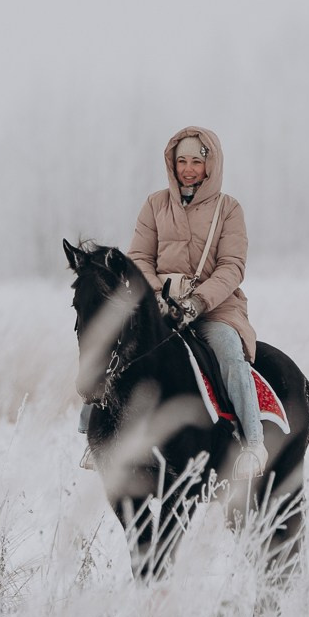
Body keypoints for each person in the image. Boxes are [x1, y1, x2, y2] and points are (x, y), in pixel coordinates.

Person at [121, 125, 266, 478]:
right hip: (159, 305)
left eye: (196, 162)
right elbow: (139, 256)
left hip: (214, 308)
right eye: (181, 160)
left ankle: (254, 444)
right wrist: (155, 293)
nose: (188, 168)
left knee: (230, 352)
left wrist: (199, 302)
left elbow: (232, 267)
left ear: (210, 165)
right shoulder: (155, 204)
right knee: (116, 345)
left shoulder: (229, 209)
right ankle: (96, 434)